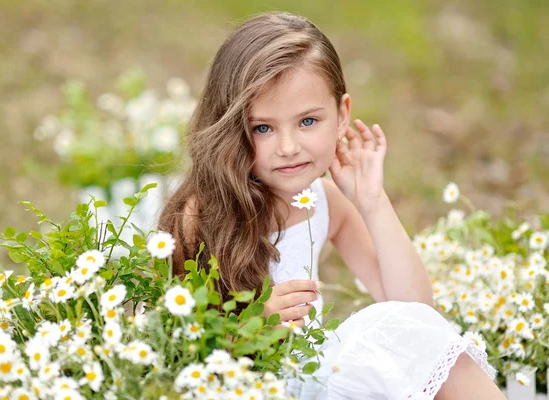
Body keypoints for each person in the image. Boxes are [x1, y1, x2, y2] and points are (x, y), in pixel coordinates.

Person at [157, 11, 506, 400]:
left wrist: (372, 202)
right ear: (230, 125)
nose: (288, 146)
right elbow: (176, 346)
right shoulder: (202, 215)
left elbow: (416, 312)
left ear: (341, 116)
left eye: (307, 121)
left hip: (316, 377)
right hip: (250, 386)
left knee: (425, 349)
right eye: (263, 128)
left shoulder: (327, 202)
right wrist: (253, 324)